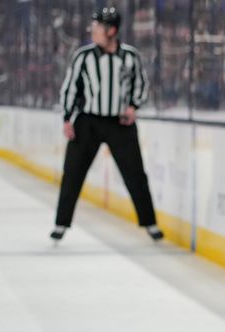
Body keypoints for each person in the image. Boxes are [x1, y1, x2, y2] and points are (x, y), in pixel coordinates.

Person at [51, 5, 163, 242]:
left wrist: (134, 107)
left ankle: (150, 223)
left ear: (112, 30)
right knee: (72, 173)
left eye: (98, 27)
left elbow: (141, 85)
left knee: (135, 174)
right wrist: (67, 118)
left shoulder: (130, 56)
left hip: (119, 124)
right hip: (88, 122)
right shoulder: (83, 56)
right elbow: (71, 87)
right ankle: (61, 223)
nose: (93, 30)